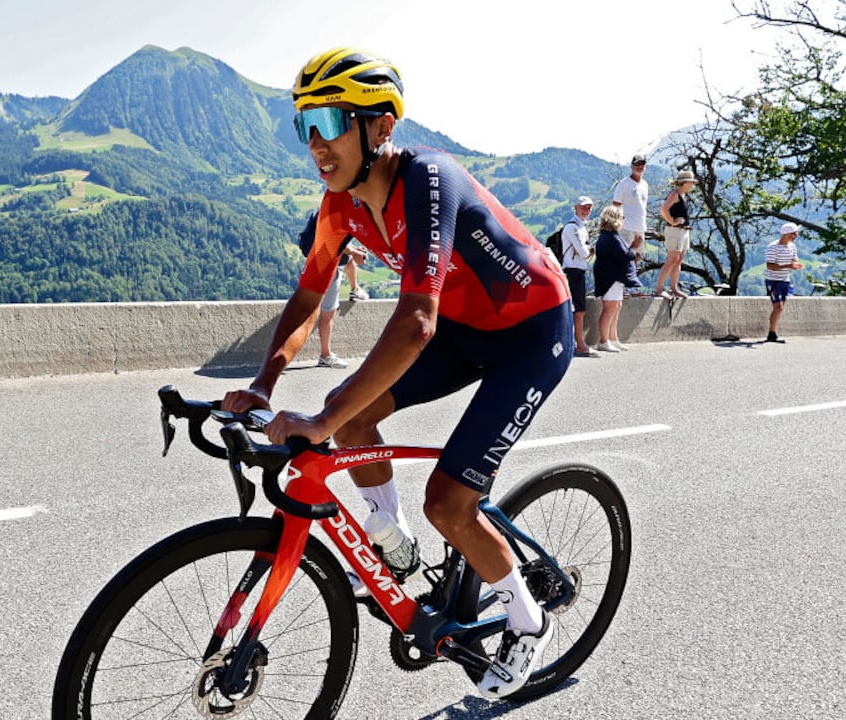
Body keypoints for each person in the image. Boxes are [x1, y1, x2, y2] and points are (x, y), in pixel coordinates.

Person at [221, 47, 572, 700]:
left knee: (448, 501)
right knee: (350, 417)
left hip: (531, 334)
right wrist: (263, 386)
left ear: (380, 126)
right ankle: (393, 543)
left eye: (329, 121)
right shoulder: (340, 205)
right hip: (464, 329)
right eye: (304, 125)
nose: (315, 143)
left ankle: (528, 620)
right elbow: (308, 295)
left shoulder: (430, 179)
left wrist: (321, 420)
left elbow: (415, 322)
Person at [296, 211, 366, 368]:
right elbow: (332, 239)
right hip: (327, 264)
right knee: (328, 313)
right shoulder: (342, 212)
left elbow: (337, 240)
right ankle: (325, 355)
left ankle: (355, 289)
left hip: (319, 258)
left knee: (349, 262)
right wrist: (354, 252)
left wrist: (354, 250)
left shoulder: (328, 209)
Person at [592, 205, 640, 352]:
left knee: (616, 306)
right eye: (621, 217)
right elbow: (625, 255)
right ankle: (603, 341)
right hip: (610, 278)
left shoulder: (609, 236)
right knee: (610, 308)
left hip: (613, 278)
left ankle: (613, 338)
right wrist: (634, 247)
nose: (623, 220)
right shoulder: (611, 237)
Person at [561, 196, 598, 356]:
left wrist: (585, 250)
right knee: (578, 309)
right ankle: (580, 345)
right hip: (573, 270)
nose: (586, 210)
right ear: (575, 207)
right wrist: (587, 250)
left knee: (579, 308)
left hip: (578, 270)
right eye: (583, 207)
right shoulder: (572, 228)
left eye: (589, 207)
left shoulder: (582, 227)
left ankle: (576, 343)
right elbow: (584, 252)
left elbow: (584, 251)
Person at [654, 169, 697, 299]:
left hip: (683, 231)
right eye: (691, 182)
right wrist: (672, 221)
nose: (692, 185)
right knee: (672, 259)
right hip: (675, 231)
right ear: (685, 183)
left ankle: (674, 288)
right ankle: (659, 289)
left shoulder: (682, 195)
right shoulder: (675, 195)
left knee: (678, 260)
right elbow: (663, 210)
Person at [764, 222, 804, 343]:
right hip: (773, 280)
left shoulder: (792, 247)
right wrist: (789, 265)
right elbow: (770, 266)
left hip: (785, 279)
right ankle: (772, 333)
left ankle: (772, 333)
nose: (796, 235)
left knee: (780, 308)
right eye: (795, 233)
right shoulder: (773, 247)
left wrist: (795, 265)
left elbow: (793, 260)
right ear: (788, 234)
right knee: (778, 306)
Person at [611, 154, 649, 259]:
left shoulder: (645, 185)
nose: (639, 167)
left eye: (642, 164)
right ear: (631, 166)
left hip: (640, 227)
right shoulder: (624, 184)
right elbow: (615, 206)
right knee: (624, 257)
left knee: (637, 257)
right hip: (626, 227)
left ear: (645, 167)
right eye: (637, 164)